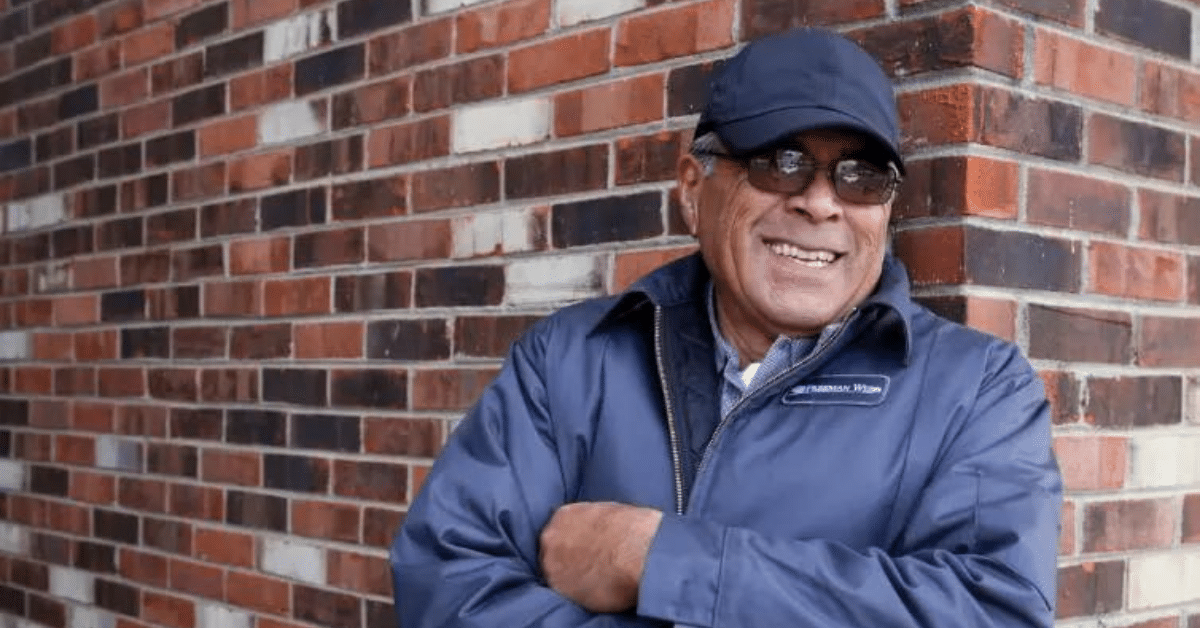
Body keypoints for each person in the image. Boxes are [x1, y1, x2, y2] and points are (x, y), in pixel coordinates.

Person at [390, 27, 1062, 627]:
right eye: (782, 161)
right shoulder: (567, 360)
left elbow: (991, 609)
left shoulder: (979, 390)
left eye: (860, 176)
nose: (821, 202)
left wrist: (659, 561)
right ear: (692, 188)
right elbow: (449, 583)